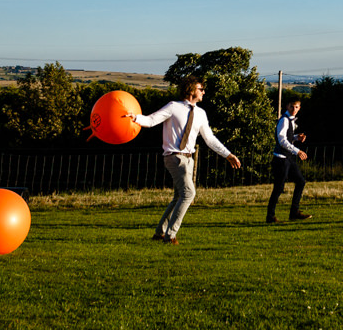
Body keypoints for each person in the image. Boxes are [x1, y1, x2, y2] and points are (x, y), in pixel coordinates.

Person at [128, 77, 241, 244]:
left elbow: (209, 139)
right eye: (200, 88)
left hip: (189, 159)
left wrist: (228, 154)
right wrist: (135, 118)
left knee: (179, 196)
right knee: (189, 194)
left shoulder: (201, 113)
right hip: (174, 156)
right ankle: (170, 236)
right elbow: (151, 121)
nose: (203, 92)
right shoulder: (173, 107)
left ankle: (160, 232)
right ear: (190, 90)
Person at [267, 96, 312, 223]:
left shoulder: (291, 120)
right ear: (287, 106)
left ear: (299, 108)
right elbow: (282, 140)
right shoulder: (284, 120)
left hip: (288, 157)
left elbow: (288, 137)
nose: (294, 109)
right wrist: (297, 151)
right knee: (279, 188)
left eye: (296, 107)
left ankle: (294, 212)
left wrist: (297, 137)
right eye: (292, 106)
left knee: (301, 181)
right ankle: (270, 217)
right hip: (281, 158)